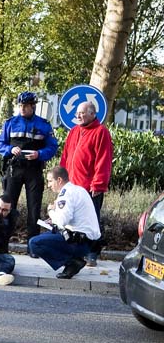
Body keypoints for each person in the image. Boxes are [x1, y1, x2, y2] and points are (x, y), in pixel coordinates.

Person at [0, 91, 58, 242]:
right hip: (14, 169)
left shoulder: (43, 125)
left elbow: (52, 147)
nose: (22, 108)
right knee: (7, 205)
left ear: (33, 106)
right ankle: (2, 240)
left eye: (26, 106)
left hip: (34, 170)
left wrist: (39, 154)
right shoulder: (10, 123)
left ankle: (33, 243)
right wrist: (10, 149)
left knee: (34, 208)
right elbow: (0, 143)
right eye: (20, 105)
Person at [60, 100, 113, 267]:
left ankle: (93, 253)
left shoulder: (101, 132)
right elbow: (65, 156)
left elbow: (103, 160)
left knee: (92, 221)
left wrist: (98, 184)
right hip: (72, 186)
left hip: (89, 187)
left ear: (92, 113)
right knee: (73, 222)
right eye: (77, 112)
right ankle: (76, 253)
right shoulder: (74, 131)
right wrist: (62, 180)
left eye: (82, 112)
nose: (78, 115)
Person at [28, 166, 101, 279]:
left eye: (50, 181)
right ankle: (73, 262)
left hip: (78, 243)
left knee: (34, 243)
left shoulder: (65, 194)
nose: (48, 185)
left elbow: (62, 221)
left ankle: (72, 262)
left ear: (59, 180)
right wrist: (53, 220)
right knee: (46, 236)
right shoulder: (79, 189)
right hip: (87, 241)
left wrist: (51, 210)